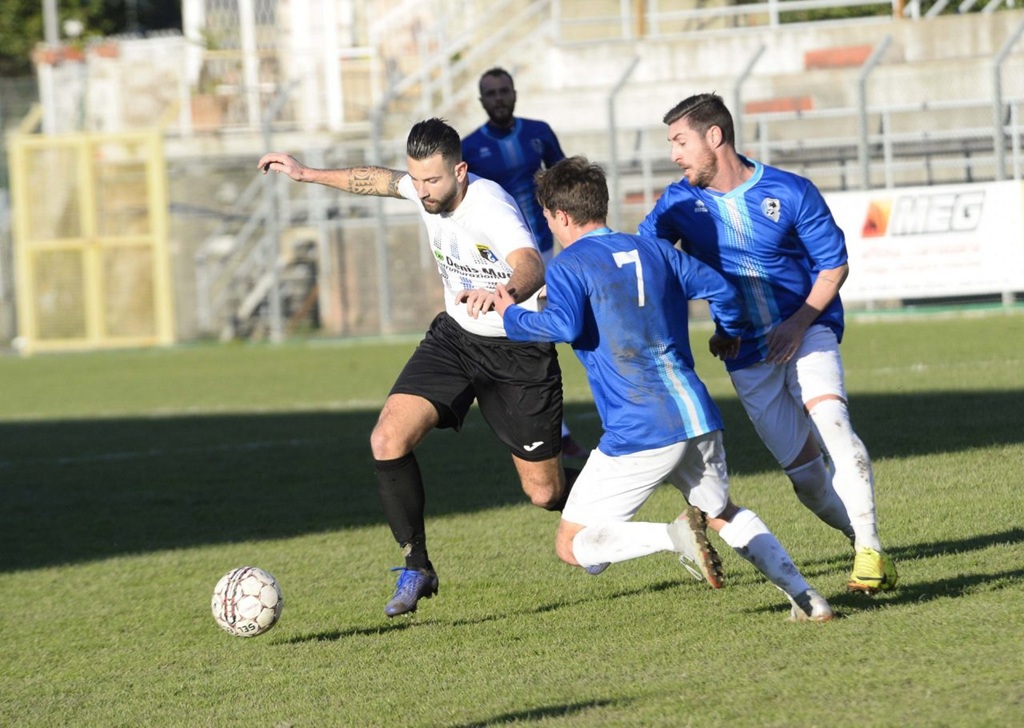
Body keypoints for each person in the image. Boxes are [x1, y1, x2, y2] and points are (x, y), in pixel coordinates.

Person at [494, 156, 833, 622]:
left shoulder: (570, 263)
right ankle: (808, 599)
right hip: (696, 412)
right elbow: (723, 289)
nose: (550, 225)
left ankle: (671, 537)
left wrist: (508, 314)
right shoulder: (655, 250)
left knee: (573, 545)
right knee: (721, 512)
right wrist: (727, 333)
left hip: (639, 424)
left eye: (549, 217)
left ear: (563, 216)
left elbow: (563, 323)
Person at [258, 118, 573, 618]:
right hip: (455, 338)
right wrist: (307, 174)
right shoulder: (422, 189)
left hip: (517, 349)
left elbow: (529, 260)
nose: (423, 192)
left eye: (434, 181)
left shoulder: (488, 204)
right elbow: (379, 180)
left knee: (544, 493)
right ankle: (417, 565)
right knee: (387, 440)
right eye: (417, 181)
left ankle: (602, 493)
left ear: (461, 171)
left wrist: (505, 294)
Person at [638, 92, 897, 594]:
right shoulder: (677, 203)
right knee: (807, 483)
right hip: (744, 353)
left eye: (680, 141)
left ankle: (870, 549)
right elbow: (647, 257)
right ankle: (861, 538)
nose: (674, 154)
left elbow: (834, 265)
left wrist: (799, 323)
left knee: (833, 422)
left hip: (807, 331)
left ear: (715, 137)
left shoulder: (791, 191)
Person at [462, 66, 589, 460]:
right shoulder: (470, 147)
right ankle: (555, 433)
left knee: (574, 330)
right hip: (505, 265)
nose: (499, 98)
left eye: (504, 91)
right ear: (482, 101)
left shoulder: (539, 132)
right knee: (529, 342)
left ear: (514, 93)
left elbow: (568, 183)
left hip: (548, 254)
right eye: (491, 93)